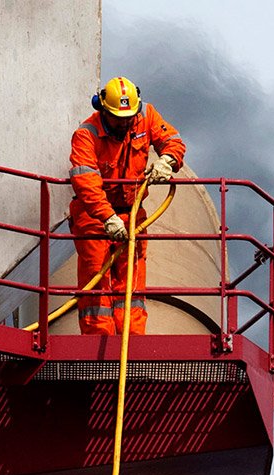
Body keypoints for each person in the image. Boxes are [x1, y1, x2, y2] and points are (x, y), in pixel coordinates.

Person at [68, 76, 186, 335]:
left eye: (128, 117)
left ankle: (132, 343)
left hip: (132, 215)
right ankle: (99, 346)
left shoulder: (146, 116)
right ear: (103, 109)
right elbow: (85, 182)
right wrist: (107, 218)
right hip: (95, 216)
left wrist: (166, 160)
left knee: (131, 284)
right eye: (118, 118)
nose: (124, 122)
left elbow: (173, 141)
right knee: (96, 282)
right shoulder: (86, 135)